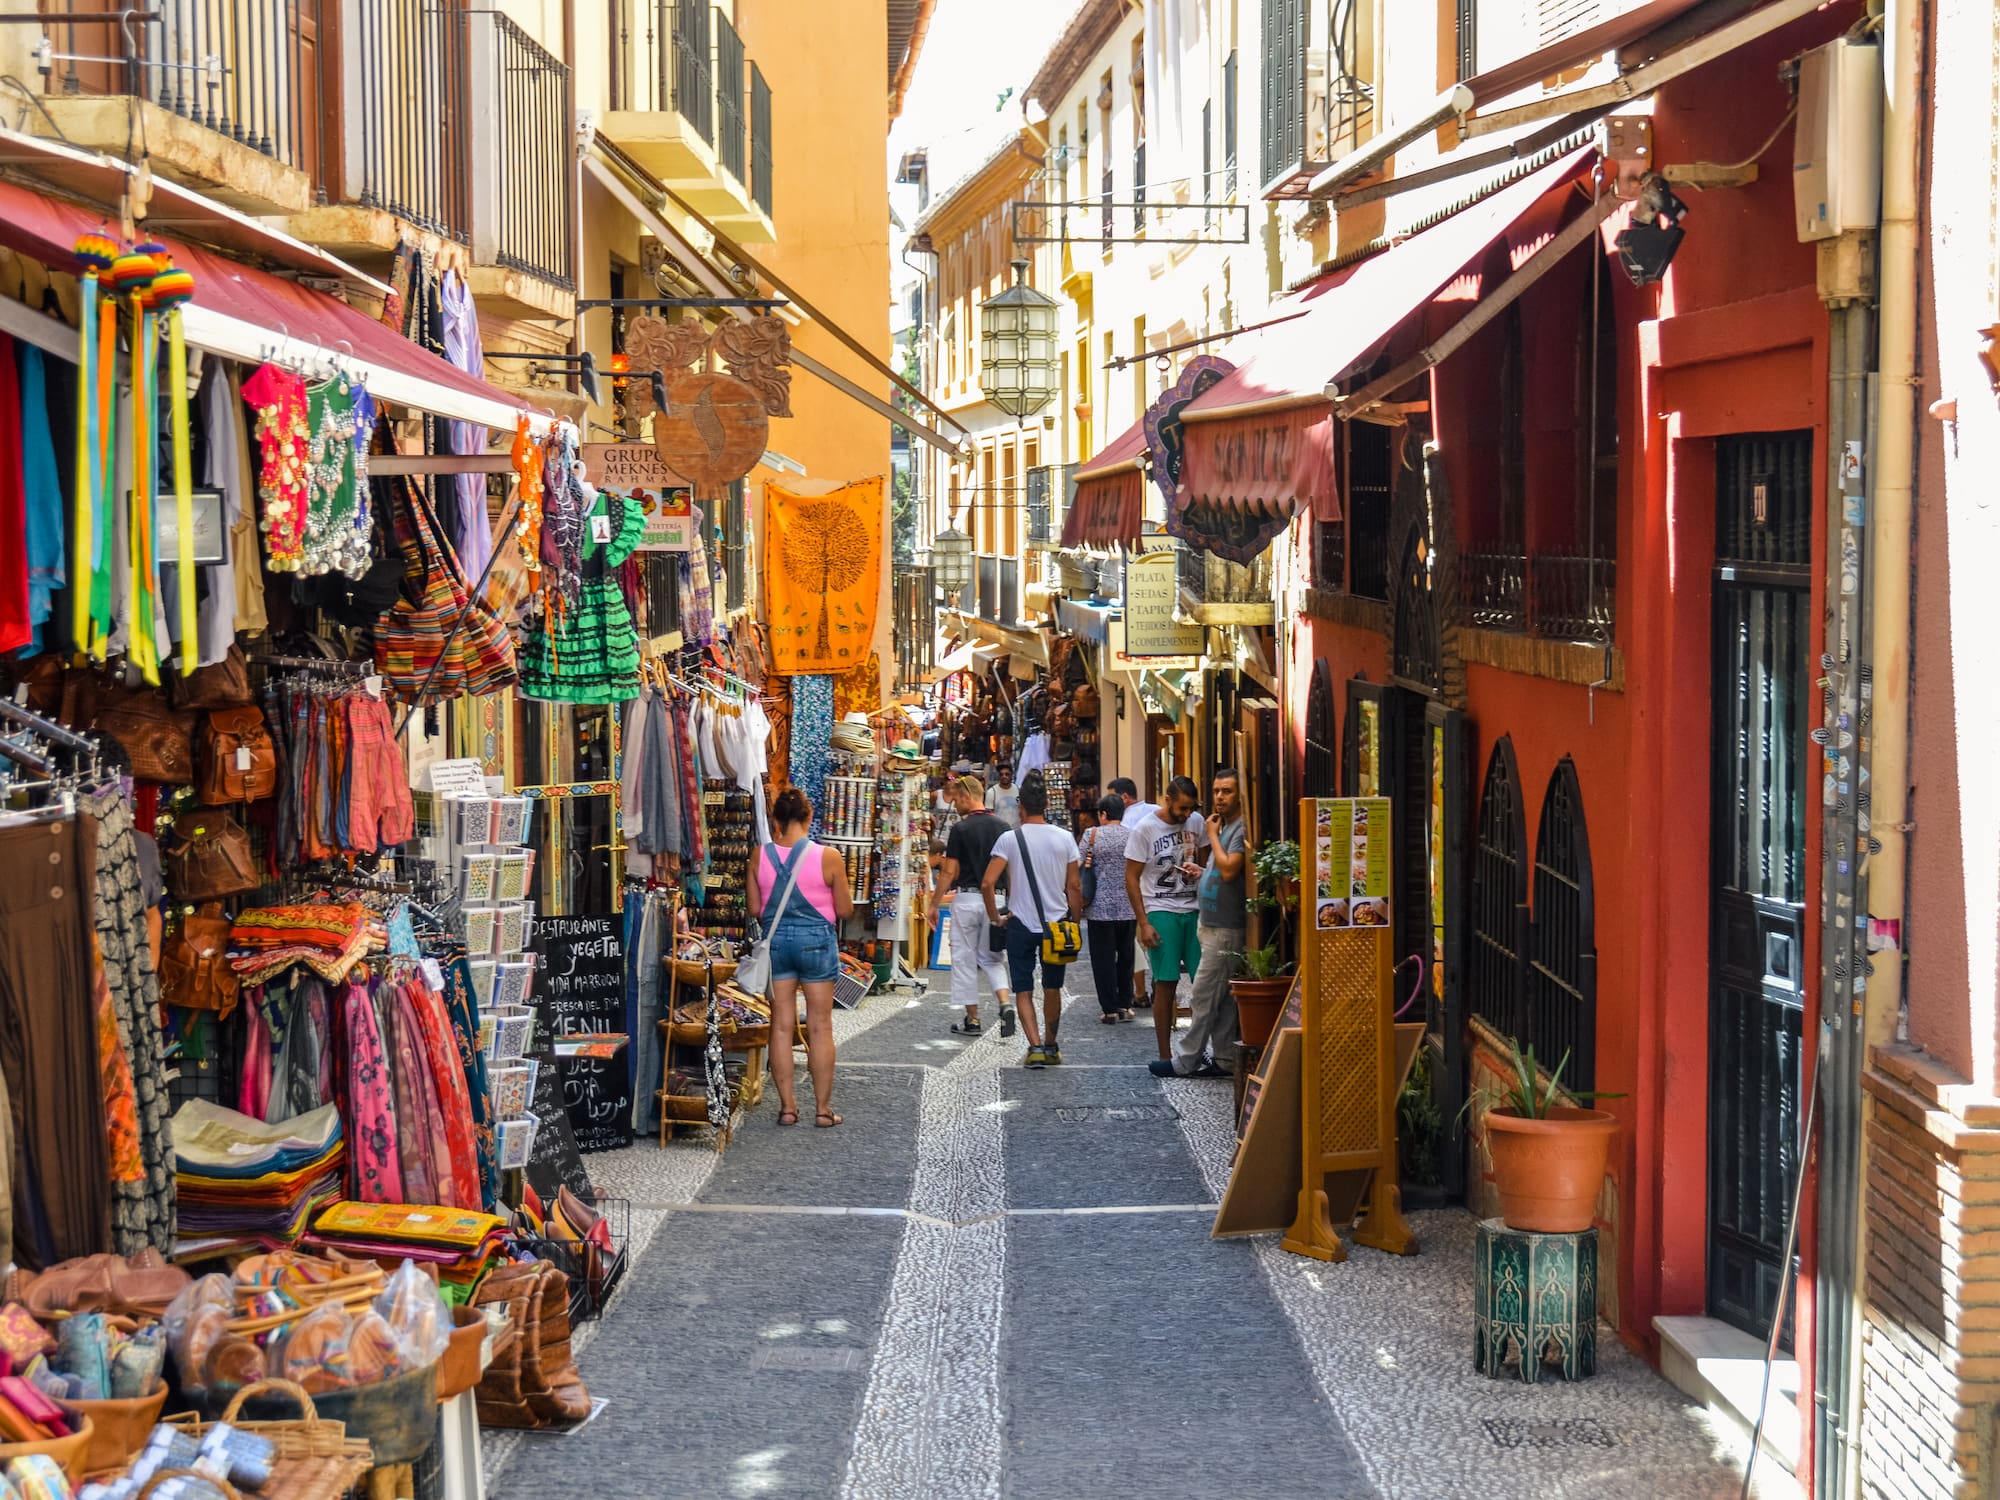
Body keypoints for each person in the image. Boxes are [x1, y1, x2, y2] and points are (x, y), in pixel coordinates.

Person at [748, 787, 856, 1127]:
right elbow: (844, 910)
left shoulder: (758, 856)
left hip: (776, 944)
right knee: (821, 1026)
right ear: (809, 817)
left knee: (780, 1026)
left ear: (776, 821)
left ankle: (788, 1108)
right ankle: (823, 1111)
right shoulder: (828, 857)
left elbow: (754, 909)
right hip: (816, 943)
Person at [982, 770, 1082, 1068]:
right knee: (1053, 987)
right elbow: (1074, 886)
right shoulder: (1065, 839)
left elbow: (988, 883)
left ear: (1020, 805)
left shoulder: (1009, 840)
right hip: (1057, 925)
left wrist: (994, 917)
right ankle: (1052, 1046)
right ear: (1047, 804)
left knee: (1023, 988)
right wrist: (1074, 921)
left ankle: (1035, 1047)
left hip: (1020, 924)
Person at [1152, 768, 1246, 1078]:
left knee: (1202, 996)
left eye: (1227, 791)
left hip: (1225, 927)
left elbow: (1231, 869)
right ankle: (1224, 1058)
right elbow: (1220, 871)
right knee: (1220, 1000)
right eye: (1217, 790)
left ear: (1240, 794)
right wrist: (1202, 873)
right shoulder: (1227, 826)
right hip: (1211, 922)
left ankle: (1186, 1061)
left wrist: (1214, 837)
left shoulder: (1237, 828)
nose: (1220, 797)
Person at [1124, 776, 1208, 1063]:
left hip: (1194, 908)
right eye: (1181, 808)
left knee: (1203, 984)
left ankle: (1198, 1052)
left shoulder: (1197, 821)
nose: (1186, 815)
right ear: (1168, 800)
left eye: (1190, 809)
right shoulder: (1145, 829)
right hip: (1160, 908)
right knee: (1166, 982)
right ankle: (1163, 1054)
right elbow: (1131, 878)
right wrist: (1144, 922)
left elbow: (1207, 857)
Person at [931, 774, 1015, 1038]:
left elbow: (949, 871)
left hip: (967, 898)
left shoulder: (961, 829)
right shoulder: (1004, 827)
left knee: (964, 959)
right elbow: (1011, 871)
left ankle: (974, 1018)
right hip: (998, 900)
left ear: (967, 796)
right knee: (993, 958)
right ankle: (1004, 1003)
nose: (955, 804)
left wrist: (934, 903)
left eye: (957, 799)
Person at [1081, 792, 1136, 1024]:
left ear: (1103, 814)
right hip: (1128, 905)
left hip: (1099, 907)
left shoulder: (1092, 835)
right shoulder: (1132, 836)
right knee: (1126, 956)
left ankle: (1109, 1008)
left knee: (1102, 958)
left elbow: (1078, 862)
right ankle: (1125, 1003)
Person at [986, 762, 1021, 828]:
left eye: (1007, 774)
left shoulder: (1019, 790)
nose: (1004, 776)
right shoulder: (991, 793)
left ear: (1011, 775)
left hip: (1016, 831)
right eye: (1001, 774)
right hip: (999, 831)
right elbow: (988, 817)